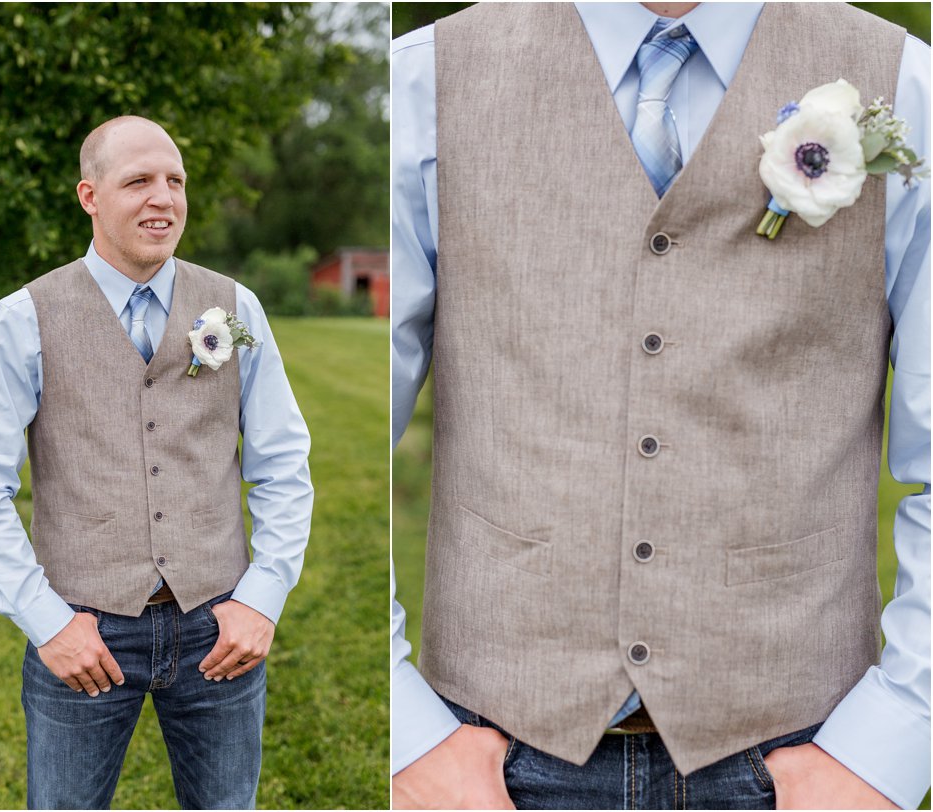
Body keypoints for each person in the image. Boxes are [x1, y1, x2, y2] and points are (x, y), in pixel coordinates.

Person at [391, 2, 929, 809]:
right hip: (491, 759)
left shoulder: (907, 85)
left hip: (804, 756)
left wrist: (893, 743)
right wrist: (409, 742)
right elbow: (342, 441)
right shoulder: (422, 80)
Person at [0, 115, 313, 810]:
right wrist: (48, 622)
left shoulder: (232, 310)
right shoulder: (26, 317)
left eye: (175, 181)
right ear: (89, 196)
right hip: (83, 632)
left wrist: (262, 600)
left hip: (219, 628)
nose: (163, 198)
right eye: (139, 180)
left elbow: (282, 462)